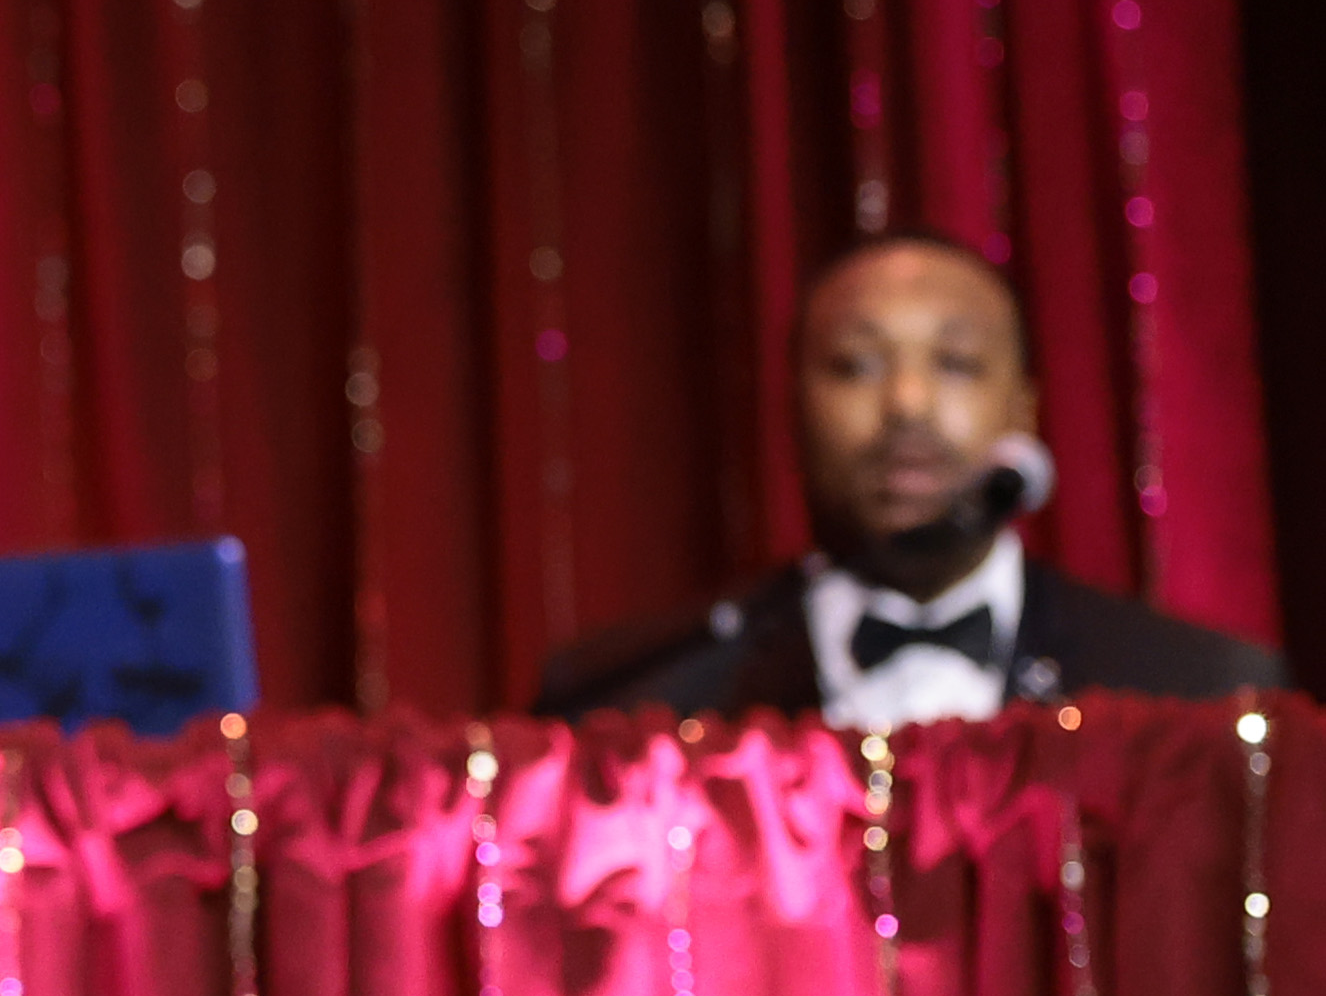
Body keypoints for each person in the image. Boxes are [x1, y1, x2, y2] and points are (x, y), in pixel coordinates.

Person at [530, 233, 1282, 723]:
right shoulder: (638, 703)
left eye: (955, 364)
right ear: (792, 406)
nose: (907, 405)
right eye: (856, 365)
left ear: (1022, 407)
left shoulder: (1203, 695)